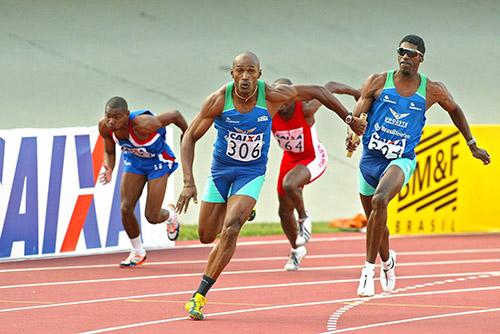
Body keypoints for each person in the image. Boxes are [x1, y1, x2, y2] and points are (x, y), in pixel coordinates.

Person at [176, 51, 367, 320]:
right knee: (207, 235)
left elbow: (320, 91)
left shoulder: (274, 96)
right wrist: (188, 182)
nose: (245, 76)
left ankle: (199, 295)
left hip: (250, 173)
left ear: (259, 74)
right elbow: (189, 137)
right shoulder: (219, 100)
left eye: (250, 71)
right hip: (220, 173)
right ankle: (242, 210)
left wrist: (350, 119)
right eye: (240, 71)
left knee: (230, 229)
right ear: (232, 73)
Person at [346, 35, 491, 297]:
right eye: (401, 51)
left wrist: (472, 145)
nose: (405, 57)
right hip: (370, 159)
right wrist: (354, 134)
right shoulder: (378, 81)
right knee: (376, 221)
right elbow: (359, 113)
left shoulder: (432, 89)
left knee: (380, 201)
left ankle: (367, 271)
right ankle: (388, 261)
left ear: (421, 58)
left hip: (400, 160)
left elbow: (455, 110)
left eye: (411, 53)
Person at [272, 78, 360, 271]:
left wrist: (355, 92)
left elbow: (329, 87)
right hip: (289, 159)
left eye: (286, 99)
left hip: (313, 157)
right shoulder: (270, 113)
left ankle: (303, 218)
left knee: (290, 184)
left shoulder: (305, 109)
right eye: (278, 100)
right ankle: (297, 250)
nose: (282, 105)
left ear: (294, 96)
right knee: (284, 211)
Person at [98, 96, 188, 267]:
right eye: (108, 116)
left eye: (116, 117)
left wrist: (188, 136)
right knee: (125, 208)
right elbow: (109, 152)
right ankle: (137, 251)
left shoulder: (144, 124)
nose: (111, 121)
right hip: (135, 162)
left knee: (152, 216)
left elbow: (175, 115)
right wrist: (109, 168)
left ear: (127, 115)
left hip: (159, 162)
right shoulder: (105, 127)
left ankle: (170, 215)